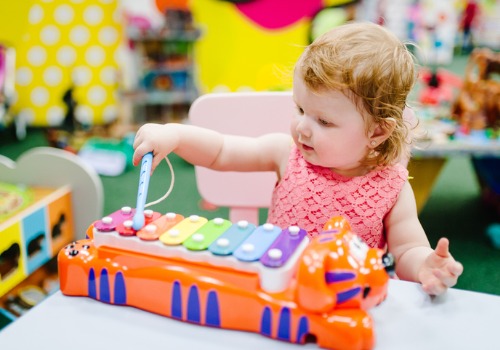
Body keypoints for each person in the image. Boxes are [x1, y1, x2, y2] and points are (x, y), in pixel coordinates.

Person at [133, 21, 463, 296]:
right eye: (301, 109)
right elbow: (221, 151)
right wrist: (174, 135)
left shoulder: (391, 187)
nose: (303, 127)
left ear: (377, 132)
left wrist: (423, 265)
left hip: (347, 301)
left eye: (324, 121)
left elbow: (405, 250)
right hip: (275, 292)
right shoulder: (285, 154)